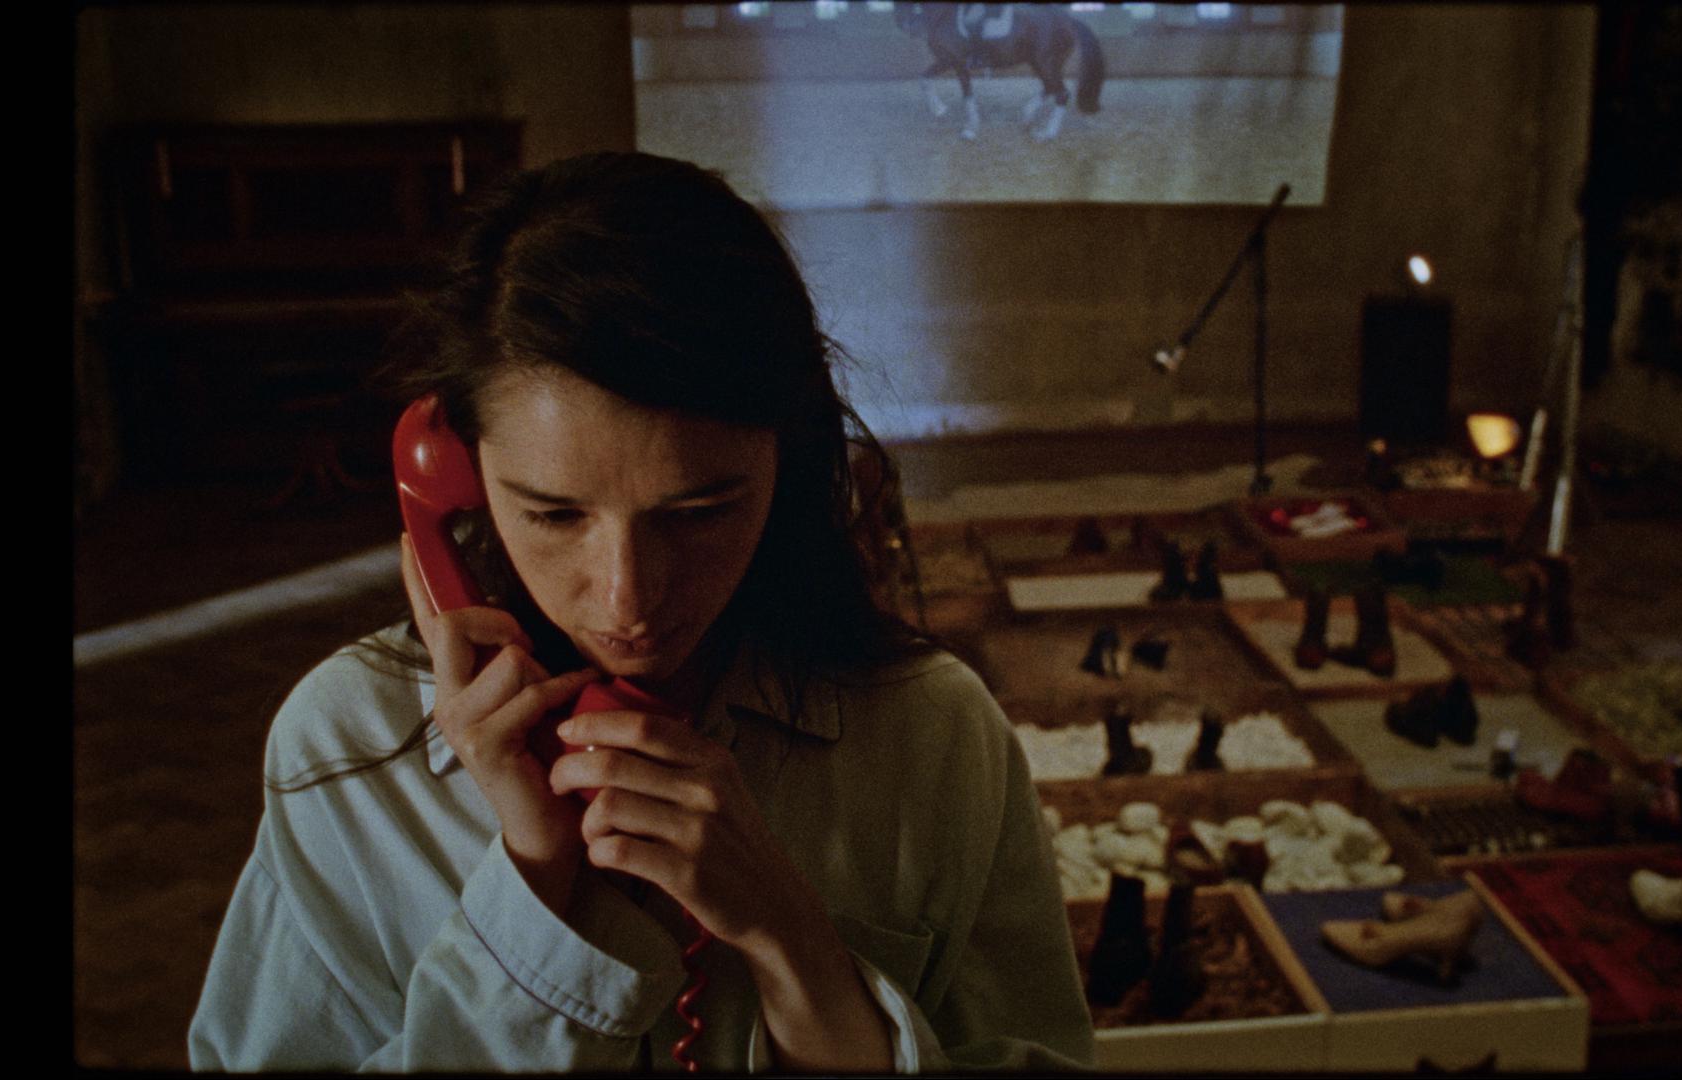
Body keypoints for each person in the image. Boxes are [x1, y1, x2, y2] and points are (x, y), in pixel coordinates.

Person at [187, 151, 1095, 1072]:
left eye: (700, 513)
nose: (628, 597)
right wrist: (535, 887)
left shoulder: (935, 735)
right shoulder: (348, 747)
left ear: (786, 459)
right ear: (453, 477)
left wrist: (795, 947)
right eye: (553, 515)